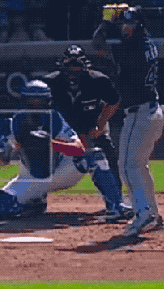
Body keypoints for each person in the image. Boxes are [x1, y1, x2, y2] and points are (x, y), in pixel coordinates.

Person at [93, 6, 164, 237]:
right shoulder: (147, 43)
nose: (126, 29)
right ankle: (152, 213)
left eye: (131, 25)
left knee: (127, 167)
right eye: (125, 25)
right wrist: (122, 20)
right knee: (139, 166)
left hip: (140, 115)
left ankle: (143, 214)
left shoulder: (130, 51)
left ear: (139, 27)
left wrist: (107, 21)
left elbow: (98, 43)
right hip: (151, 111)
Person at [42, 44, 132, 220]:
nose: (73, 70)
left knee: (107, 154)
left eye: (77, 65)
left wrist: (100, 125)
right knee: (39, 154)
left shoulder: (98, 81)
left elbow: (114, 101)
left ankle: (115, 201)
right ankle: (36, 197)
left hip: (91, 127)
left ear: (85, 65)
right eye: (69, 65)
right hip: (61, 132)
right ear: (62, 65)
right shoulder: (50, 82)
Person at [0, 80, 87, 220]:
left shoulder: (55, 118)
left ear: (47, 101)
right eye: (31, 101)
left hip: (59, 172)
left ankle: (114, 204)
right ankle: (35, 202)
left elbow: (79, 149)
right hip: (31, 175)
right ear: (24, 101)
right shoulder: (15, 122)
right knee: (1, 207)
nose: (36, 105)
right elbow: (2, 162)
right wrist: (6, 147)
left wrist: (50, 144)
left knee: (92, 157)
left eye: (40, 101)